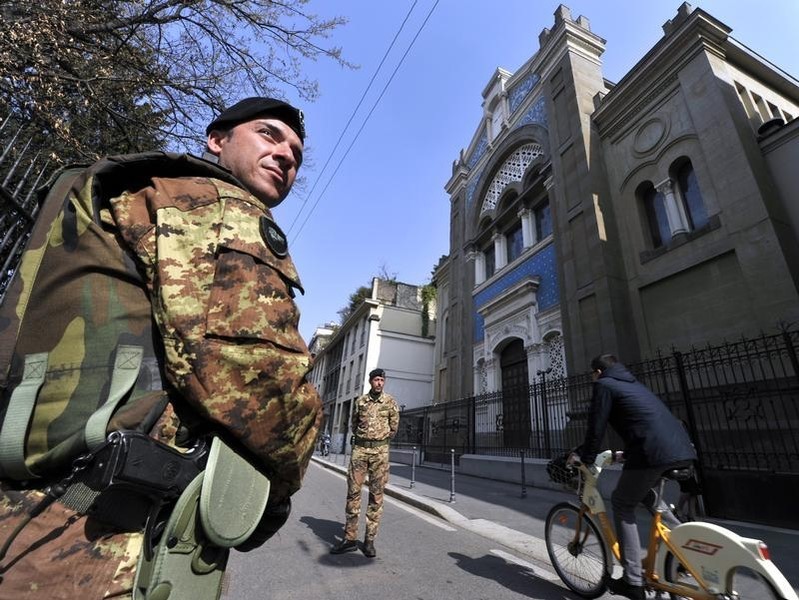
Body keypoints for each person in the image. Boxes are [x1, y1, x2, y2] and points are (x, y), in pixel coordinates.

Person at [0, 97, 321, 598]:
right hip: (98, 539)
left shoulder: (140, 191)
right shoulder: (213, 205)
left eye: (296, 154)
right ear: (217, 140)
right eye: (269, 135)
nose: (286, 155)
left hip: (35, 505)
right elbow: (257, 376)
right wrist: (274, 494)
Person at [577, 354, 696, 600]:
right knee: (652, 501)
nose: (592, 379)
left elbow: (596, 427)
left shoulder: (604, 385)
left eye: (592, 374)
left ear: (598, 371)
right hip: (681, 450)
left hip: (652, 453)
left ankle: (632, 580)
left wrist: (585, 456)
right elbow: (644, 422)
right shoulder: (634, 384)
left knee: (622, 502)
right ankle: (686, 553)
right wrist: (627, 454)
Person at [330, 368, 399, 558]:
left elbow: (394, 428)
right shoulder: (360, 401)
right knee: (353, 494)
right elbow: (354, 425)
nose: (379, 383)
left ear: (384, 382)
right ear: (370, 381)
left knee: (376, 497)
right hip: (360, 452)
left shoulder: (390, 402)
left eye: (381, 380)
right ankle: (350, 539)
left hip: (380, 453)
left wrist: (379, 441)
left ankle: (369, 541)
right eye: (376, 379)